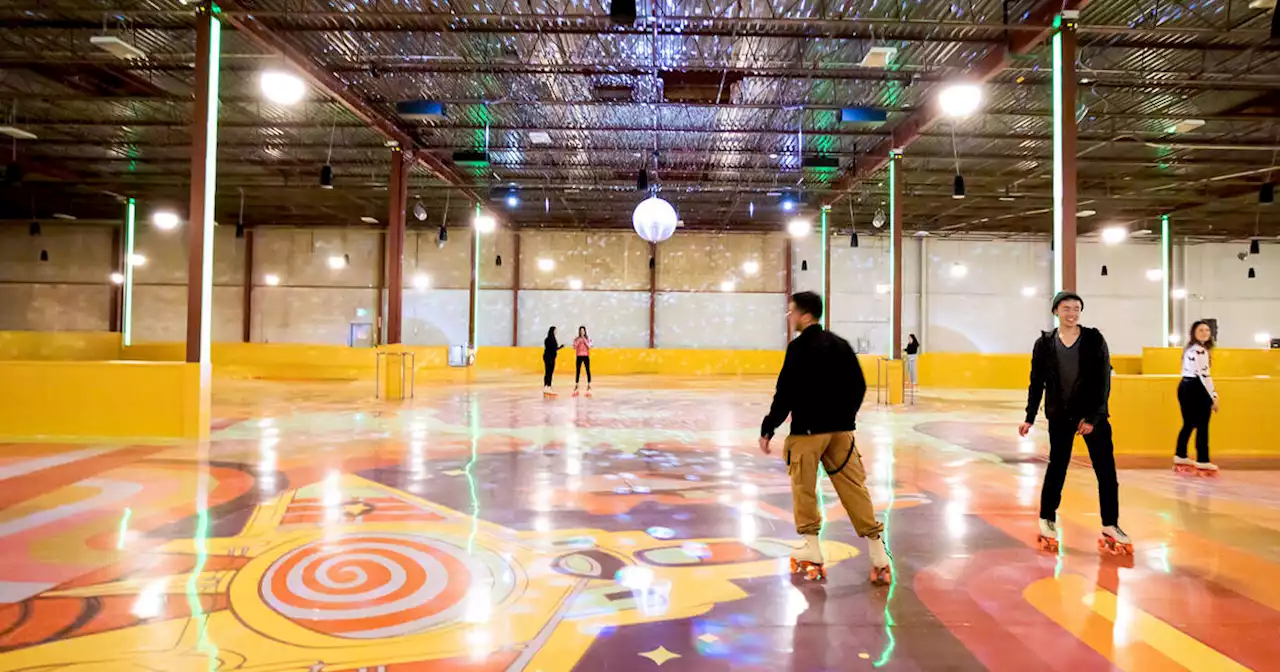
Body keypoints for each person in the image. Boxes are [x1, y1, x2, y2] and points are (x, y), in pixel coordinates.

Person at [759, 291, 892, 584]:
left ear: (805, 315)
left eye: (792, 311)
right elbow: (859, 385)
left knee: (804, 487)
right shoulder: (840, 345)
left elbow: (786, 392)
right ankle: (878, 552)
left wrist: (769, 427)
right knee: (853, 488)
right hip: (841, 432)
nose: (790, 316)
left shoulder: (799, 348)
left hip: (808, 432)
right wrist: (845, 417)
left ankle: (812, 548)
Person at [1020, 291, 1132, 556]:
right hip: (1060, 415)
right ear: (1056, 311)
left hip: (1092, 415)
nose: (1072, 313)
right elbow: (1037, 382)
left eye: (1077, 308)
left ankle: (1110, 524)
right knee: (1057, 467)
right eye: (1066, 308)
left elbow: (1103, 380)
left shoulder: (1094, 339)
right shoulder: (1044, 343)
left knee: (1106, 471)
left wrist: (1093, 417)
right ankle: (1047, 518)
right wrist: (1029, 416)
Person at [1175, 320, 1219, 475]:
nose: (1205, 333)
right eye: (1201, 330)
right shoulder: (1200, 351)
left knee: (1189, 423)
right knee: (1202, 424)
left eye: (1207, 330)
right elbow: (1204, 375)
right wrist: (1213, 396)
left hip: (1185, 386)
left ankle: (1180, 455)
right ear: (1194, 333)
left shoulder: (1190, 349)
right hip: (1196, 387)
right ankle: (1203, 459)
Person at [542, 326, 563, 397]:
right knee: (549, 372)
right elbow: (552, 349)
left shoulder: (548, 339)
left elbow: (553, 349)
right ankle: (548, 386)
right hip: (549, 357)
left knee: (547, 372)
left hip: (548, 357)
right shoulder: (551, 340)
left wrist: (560, 347)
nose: (556, 332)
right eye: (555, 331)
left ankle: (546, 386)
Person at [572, 326, 593, 398]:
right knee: (578, 371)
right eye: (581, 331)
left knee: (588, 370)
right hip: (579, 356)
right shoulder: (576, 339)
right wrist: (579, 341)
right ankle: (576, 386)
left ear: (585, 331)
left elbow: (589, 347)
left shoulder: (588, 338)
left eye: (583, 331)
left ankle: (589, 385)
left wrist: (584, 340)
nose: (582, 332)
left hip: (586, 356)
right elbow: (574, 347)